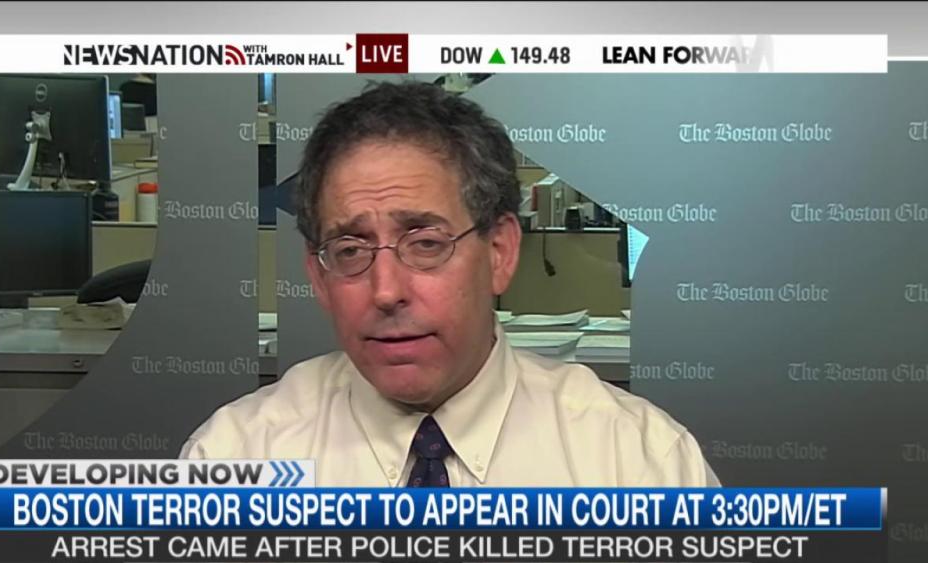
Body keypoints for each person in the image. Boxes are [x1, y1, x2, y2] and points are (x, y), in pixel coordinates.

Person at [179, 81, 720, 488]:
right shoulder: (233, 459)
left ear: (500, 252)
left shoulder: (640, 462)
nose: (386, 291)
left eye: (426, 244)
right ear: (318, 276)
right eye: (350, 251)